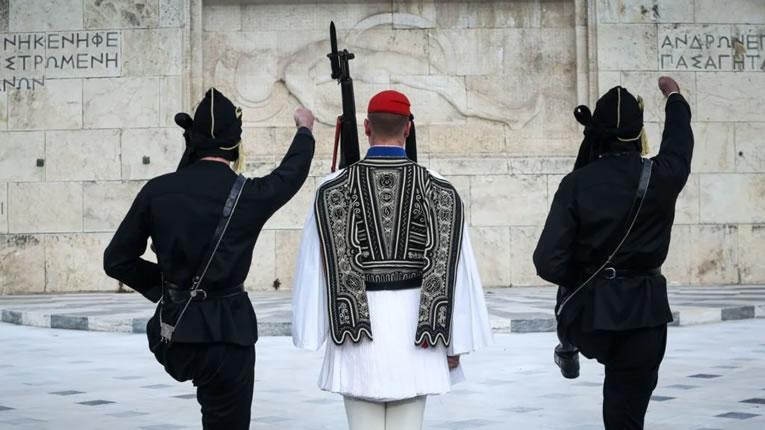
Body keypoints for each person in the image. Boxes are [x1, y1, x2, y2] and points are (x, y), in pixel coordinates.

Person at [103, 88, 316, 429]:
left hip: (176, 334)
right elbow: (289, 175)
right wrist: (304, 130)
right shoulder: (249, 195)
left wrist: (168, 289)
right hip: (227, 336)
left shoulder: (157, 190)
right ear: (234, 146)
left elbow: (116, 260)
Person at [291, 90, 492, 430]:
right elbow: (456, 271)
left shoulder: (331, 189)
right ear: (408, 129)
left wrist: (313, 331)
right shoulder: (441, 189)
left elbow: (315, 267)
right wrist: (454, 341)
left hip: (356, 335)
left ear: (366, 127)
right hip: (419, 336)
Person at [533, 76, 694, 430]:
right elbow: (679, 142)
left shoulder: (576, 183)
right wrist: (675, 97)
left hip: (589, 319)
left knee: (571, 293)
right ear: (638, 135)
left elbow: (547, 262)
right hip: (643, 315)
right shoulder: (663, 175)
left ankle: (567, 347)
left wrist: (586, 273)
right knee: (625, 415)